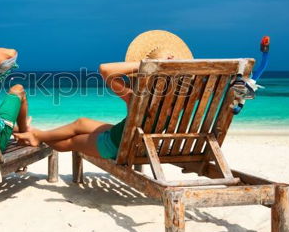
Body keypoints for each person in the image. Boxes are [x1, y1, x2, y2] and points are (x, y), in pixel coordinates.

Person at [14, 30, 193, 160]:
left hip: (118, 145)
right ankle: (34, 134)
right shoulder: (184, 100)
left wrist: (147, 66)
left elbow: (105, 69)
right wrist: (171, 68)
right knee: (81, 122)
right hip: (133, 139)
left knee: (71, 142)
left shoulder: (137, 98)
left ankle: (35, 136)